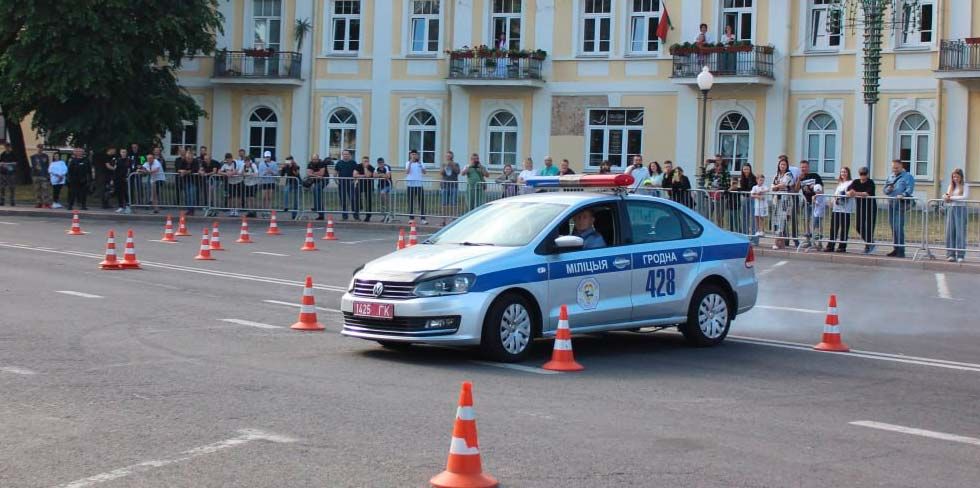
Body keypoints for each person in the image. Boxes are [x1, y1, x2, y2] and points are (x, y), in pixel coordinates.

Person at [883, 159, 915, 258]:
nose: (895, 169)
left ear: (901, 167)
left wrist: (903, 194)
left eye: (897, 168)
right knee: (893, 227)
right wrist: (888, 189)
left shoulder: (908, 176)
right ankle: (895, 249)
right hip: (891, 204)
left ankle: (901, 250)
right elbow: (884, 190)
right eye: (893, 167)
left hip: (900, 205)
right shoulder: (890, 176)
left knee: (898, 227)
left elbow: (910, 188)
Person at [943, 168, 970, 262]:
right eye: (954, 176)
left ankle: (960, 255)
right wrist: (945, 197)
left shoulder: (965, 185)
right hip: (951, 209)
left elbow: (965, 197)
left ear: (961, 177)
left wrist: (952, 197)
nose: (955, 178)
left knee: (960, 233)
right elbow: (946, 195)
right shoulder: (951, 186)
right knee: (950, 232)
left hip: (961, 209)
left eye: (957, 176)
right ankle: (950, 254)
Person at [825, 167, 854, 253]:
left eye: (845, 172)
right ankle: (831, 246)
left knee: (844, 229)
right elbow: (836, 195)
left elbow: (850, 193)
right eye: (841, 172)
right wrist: (832, 201)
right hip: (836, 209)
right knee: (833, 228)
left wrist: (843, 195)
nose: (843, 174)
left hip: (845, 209)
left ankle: (842, 247)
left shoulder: (851, 182)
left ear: (848, 173)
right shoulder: (840, 183)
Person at [849, 167, 877, 254]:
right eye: (861, 174)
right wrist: (850, 192)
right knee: (858, 226)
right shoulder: (856, 182)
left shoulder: (870, 182)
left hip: (870, 207)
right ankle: (871, 243)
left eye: (864, 174)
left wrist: (855, 193)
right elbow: (849, 190)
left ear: (867, 174)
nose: (862, 176)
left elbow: (866, 193)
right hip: (860, 207)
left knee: (869, 227)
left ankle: (868, 246)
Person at [770, 159, 793, 249]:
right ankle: (782, 243)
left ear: (787, 166)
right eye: (781, 164)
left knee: (782, 220)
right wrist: (776, 186)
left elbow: (784, 184)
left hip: (785, 200)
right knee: (776, 219)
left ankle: (776, 242)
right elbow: (772, 186)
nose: (782, 166)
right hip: (777, 199)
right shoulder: (777, 175)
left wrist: (776, 186)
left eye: (784, 164)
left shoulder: (788, 174)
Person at [333, 149, 358, 221]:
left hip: (351, 183)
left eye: (347, 154)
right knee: (343, 200)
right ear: (342, 155)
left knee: (353, 199)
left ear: (350, 155)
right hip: (342, 184)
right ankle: (344, 216)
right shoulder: (339, 163)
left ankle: (356, 216)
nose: (345, 155)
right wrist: (336, 181)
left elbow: (356, 172)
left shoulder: (353, 163)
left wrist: (355, 181)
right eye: (344, 154)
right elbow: (335, 173)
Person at [730, 163, 755, 234]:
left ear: (750, 170)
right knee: (744, 217)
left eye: (747, 169)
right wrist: (736, 189)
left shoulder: (753, 178)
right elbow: (742, 189)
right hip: (744, 198)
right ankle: (745, 235)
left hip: (752, 198)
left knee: (753, 219)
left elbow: (750, 189)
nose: (746, 171)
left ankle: (754, 237)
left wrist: (739, 189)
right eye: (744, 169)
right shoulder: (742, 179)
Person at [405, 149, 427, 224]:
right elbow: (407, 172)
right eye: (412, 154)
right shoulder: (408, 163)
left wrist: (420, 164)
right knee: (410, 202)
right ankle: (411, 218)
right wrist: (410, 163)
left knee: (421, 202)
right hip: (410, 185)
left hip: (419, 185)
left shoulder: (421, 163)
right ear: (410, 155)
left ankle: (423, 219)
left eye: (415, 154)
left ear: (417, 155)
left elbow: (424, 172)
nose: (414, 156)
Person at [176, 149, 200, 215]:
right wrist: (182, 171)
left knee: (192, 195)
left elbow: (195, 170)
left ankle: (192, 210)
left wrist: (185, 172)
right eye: (187, 158)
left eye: (189, 158)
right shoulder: (183, 161)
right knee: (187, 196)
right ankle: (189, 209)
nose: (188, 159)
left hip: (194, 181)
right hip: (186, 181)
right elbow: (178, 169)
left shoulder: (195, 161)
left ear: (192, 157)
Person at [440, 151, 460, 225]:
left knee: (453, 203)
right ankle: (443, 220)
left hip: (453, 185)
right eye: (447, 156)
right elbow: (441, 173)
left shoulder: (456, 164)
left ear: (452, 157)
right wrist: (445, 167)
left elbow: (458, 172)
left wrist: (452, 165)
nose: (448, 157)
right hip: (444, 185)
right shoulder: (444, 164)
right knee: (444, 203)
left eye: (450, 156)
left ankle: (454, 219)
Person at [111, 148, 134, 214]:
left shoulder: (129, 160)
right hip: (118, 179)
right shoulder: (117, 160)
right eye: (122, 152)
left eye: (124, 152)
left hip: (125, 179)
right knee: (119, 192)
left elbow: (130, 169)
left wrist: (128, 176)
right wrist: (113, 179)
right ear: (120, 153)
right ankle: (120, 206)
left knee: (126, 193)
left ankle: (128, 206)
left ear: (126, 153)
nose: (123, 153)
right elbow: (115, 170)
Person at [354, 156, 375, 222]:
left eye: (367, 161)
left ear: (368, 162)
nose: (365, 162)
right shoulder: (358, 166)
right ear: (362, 161)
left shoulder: (371, 167)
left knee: (368, 201)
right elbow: (354, 175)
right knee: (356, 199)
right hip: (360, 185)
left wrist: (365, 168)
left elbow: (368, 175)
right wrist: (363, 176)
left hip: (368, 186)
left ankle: (368, 216)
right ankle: (357, 215)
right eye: (364, 161)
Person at [257, 151, 278, 216]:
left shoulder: (274, 164)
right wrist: (265, 173)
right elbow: (260, 174)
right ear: (264, 157)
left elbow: (276, 173)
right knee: (264, 197)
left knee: (270, 197)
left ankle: (268, 209)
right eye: (266, 157)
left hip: (271, 182)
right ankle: (263, 210)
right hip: (264, 182)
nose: (267, 158)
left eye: (268, 157)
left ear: (270, 157)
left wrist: (271, 172)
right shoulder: (261, 164)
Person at [306, 154, 327, 220]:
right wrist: (316, 175)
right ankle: (318, 210)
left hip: (324, 180)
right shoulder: (310, 164)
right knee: (315, 192)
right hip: (316, 180)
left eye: (316, 159)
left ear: (318, 159)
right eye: (313, 159)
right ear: (311, 159)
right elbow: (308, 173)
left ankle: (319, 210)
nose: (314, 160)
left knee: (317, 191)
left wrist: (313, 173)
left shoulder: (322, 163)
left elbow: (322, 173)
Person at [375, 157, 393, 223]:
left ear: (384, 162)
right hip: (380, 186)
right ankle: (385, 216)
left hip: (388, 185)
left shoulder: (387, 167)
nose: (381, 164)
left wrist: (379, 175)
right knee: (382, 202)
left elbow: (388, 176)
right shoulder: (377, 168)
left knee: (384, 196)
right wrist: (382, 175)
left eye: (382, 163)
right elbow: (374, 175)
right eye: (379, 163)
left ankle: (390, 215)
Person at [811, 184, 827, 251]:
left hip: (817, 214)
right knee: (818, 227)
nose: (816, 193)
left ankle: (815, 242)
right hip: (818, 214)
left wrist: (813, 199)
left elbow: (817, 203)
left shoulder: (820, 196)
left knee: (815, 227)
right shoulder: (821, 196)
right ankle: (817, 242)